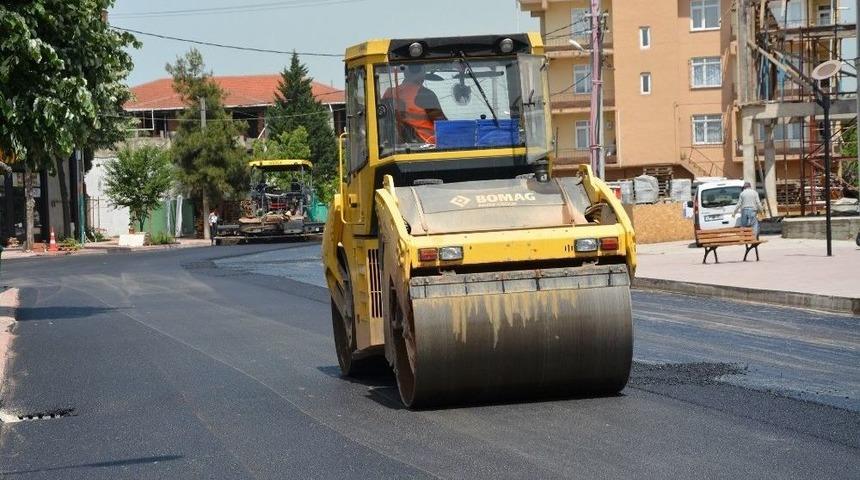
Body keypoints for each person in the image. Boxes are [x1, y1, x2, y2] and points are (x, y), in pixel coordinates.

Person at [382, 64, 447, 144]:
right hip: (426, 145)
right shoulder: (424, 94)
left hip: (399, 145)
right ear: (422, 74)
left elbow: (383, 121)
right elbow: (443, 125)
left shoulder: (389, 93)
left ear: (405, 73)